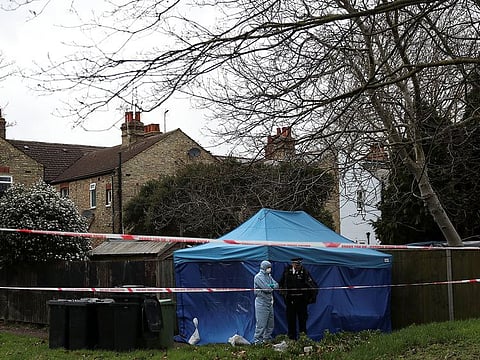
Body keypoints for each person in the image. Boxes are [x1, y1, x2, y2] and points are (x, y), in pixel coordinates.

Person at [279, 257, 318, 340]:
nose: (298, 266)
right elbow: (281, 284)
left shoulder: (304, 272)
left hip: (301, 301)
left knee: (302, 321)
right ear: (292, 264)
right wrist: (284, 294)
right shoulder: (287, 272)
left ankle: (303, 339)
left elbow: (312, 285)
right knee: (291, 322)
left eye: (299, 265)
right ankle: (291, 340)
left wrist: (310, 298)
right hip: (290, 301)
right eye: (296, 265)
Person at [253, 260, 279, 344]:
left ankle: (266, 339)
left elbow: (276, 285)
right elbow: (266, 289)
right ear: (263, 267)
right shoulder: (258, 277)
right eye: (268, 267)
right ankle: (258, 341)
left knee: (270, 324)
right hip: (261, 303)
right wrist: (271, 286)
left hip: (269, 302)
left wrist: (270, 286)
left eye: (270, 267)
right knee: (261, 324)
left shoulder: (269, 276)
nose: (269, 269)